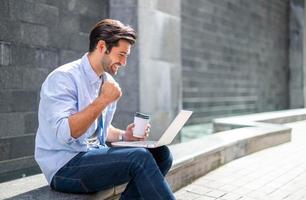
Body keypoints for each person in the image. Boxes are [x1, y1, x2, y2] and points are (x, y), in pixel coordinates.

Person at [34, 19, 175, 200]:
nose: (124, 62)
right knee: (138, 157)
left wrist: (126, 136)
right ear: (102, 47)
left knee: (162, 155)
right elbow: (66, 133)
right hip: (64, 167)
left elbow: (100, 130)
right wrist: (102, 101)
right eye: (121, 54)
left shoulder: (108, 83)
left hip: (91, 156)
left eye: (127, 56)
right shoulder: (63, 78)